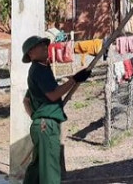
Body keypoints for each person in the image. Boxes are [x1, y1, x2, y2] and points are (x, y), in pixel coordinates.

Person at [22, 35, 91, 184]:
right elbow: (53, 95)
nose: (44, 47)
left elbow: (26, 100)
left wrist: (35, 116)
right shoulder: (39, 70)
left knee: (38, 167)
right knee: (50, 169)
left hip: (41, 124)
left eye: (44, 44)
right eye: (39, 45)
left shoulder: (39, 70)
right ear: (31, 53)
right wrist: (75, 79)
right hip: (46, 126)